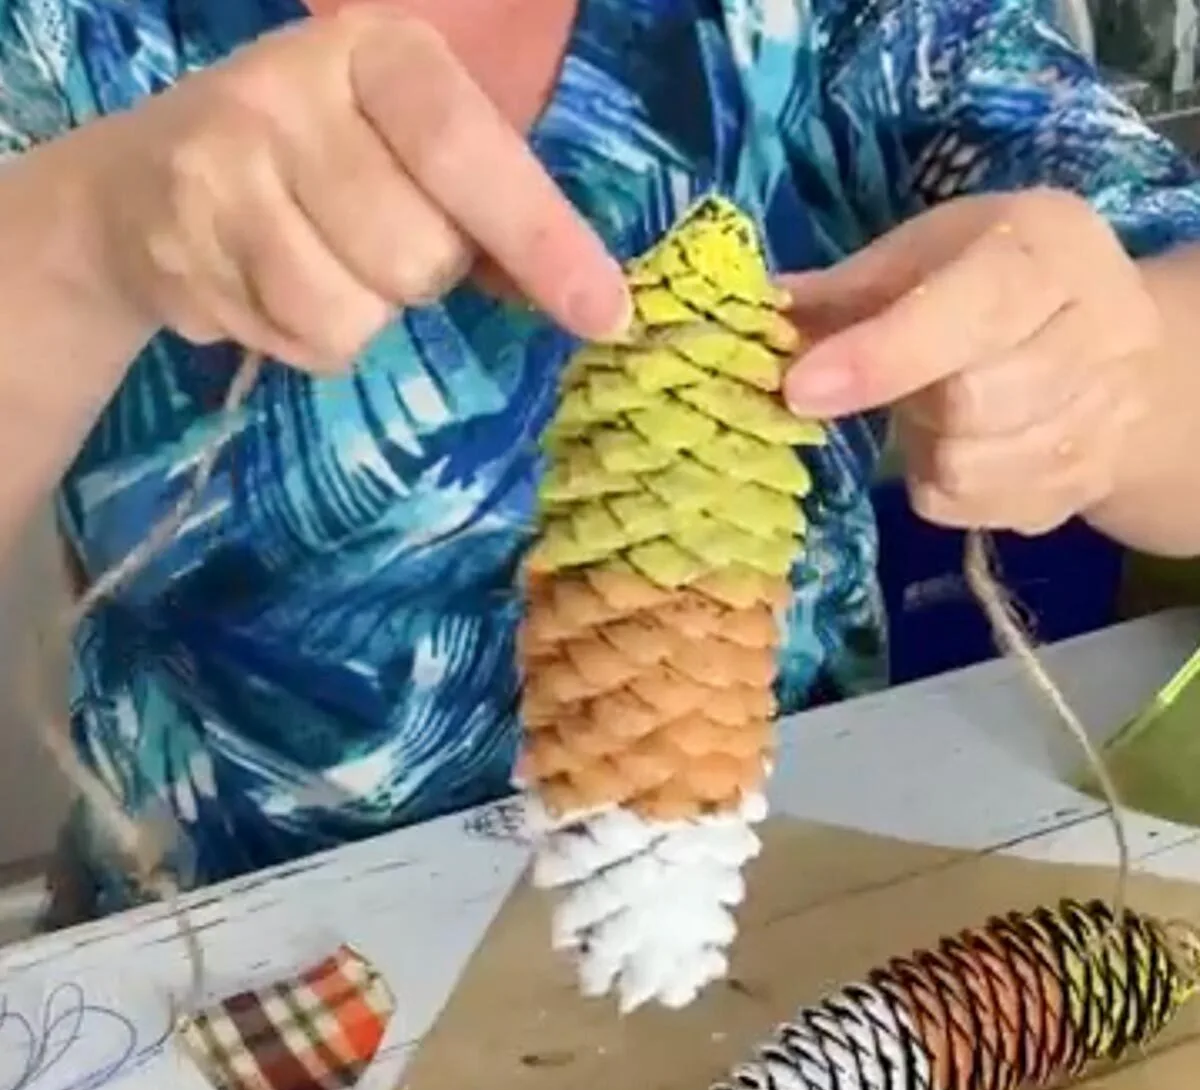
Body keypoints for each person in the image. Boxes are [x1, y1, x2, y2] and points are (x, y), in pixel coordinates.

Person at [2, 0, 1198, 925]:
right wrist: (75, 243)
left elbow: (1158, 295)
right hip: (235, 960)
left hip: (782, 893)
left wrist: (1114, 374)